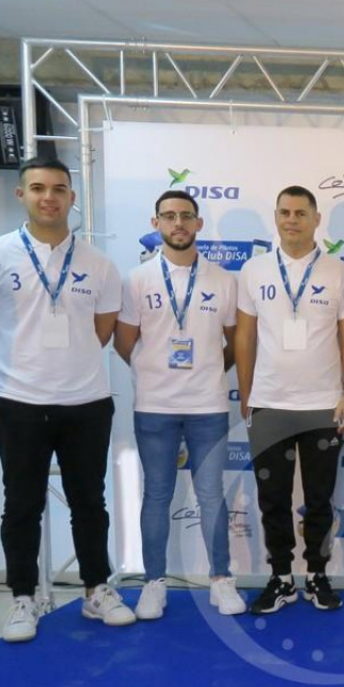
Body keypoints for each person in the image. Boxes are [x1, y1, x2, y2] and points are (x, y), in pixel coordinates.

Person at [0, 156, 135, 642]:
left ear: (72, 198)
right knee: (21, 503)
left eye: (58, 189)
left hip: (87, 402)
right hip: (18, 402)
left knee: (89, 502)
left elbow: (102, 331)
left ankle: (96, 590)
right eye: (38, 188)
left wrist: (65, 367)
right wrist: (9, 369)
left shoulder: (99, 264)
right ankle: (23, 597)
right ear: (22, 195)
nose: (49, 197)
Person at [115, 191, 243, 618]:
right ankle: (154, 582)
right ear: (156, 223)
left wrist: (205, 369)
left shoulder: (223, 280)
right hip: (155, 406)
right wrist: (154, 371)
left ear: (198, 224)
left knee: (211, 494)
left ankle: (220, 579)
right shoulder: (137, 280)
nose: (178, 224)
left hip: (208, 405)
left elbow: (234, 344)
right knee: (157, 495)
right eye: (169, 216)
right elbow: (125, 342)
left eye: (186, 216)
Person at [235, 186, 344, 615]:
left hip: (323, 404)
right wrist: (247, 394)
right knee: (273, 498)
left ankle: (317, 575)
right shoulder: (253, 270)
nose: (292, 220)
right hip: (270, 403)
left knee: (320, 498)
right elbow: (245, 334)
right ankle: (281, 577)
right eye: (285, 212)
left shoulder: (339, 271)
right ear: (276, 217)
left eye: (301, 213)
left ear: (315, 220)